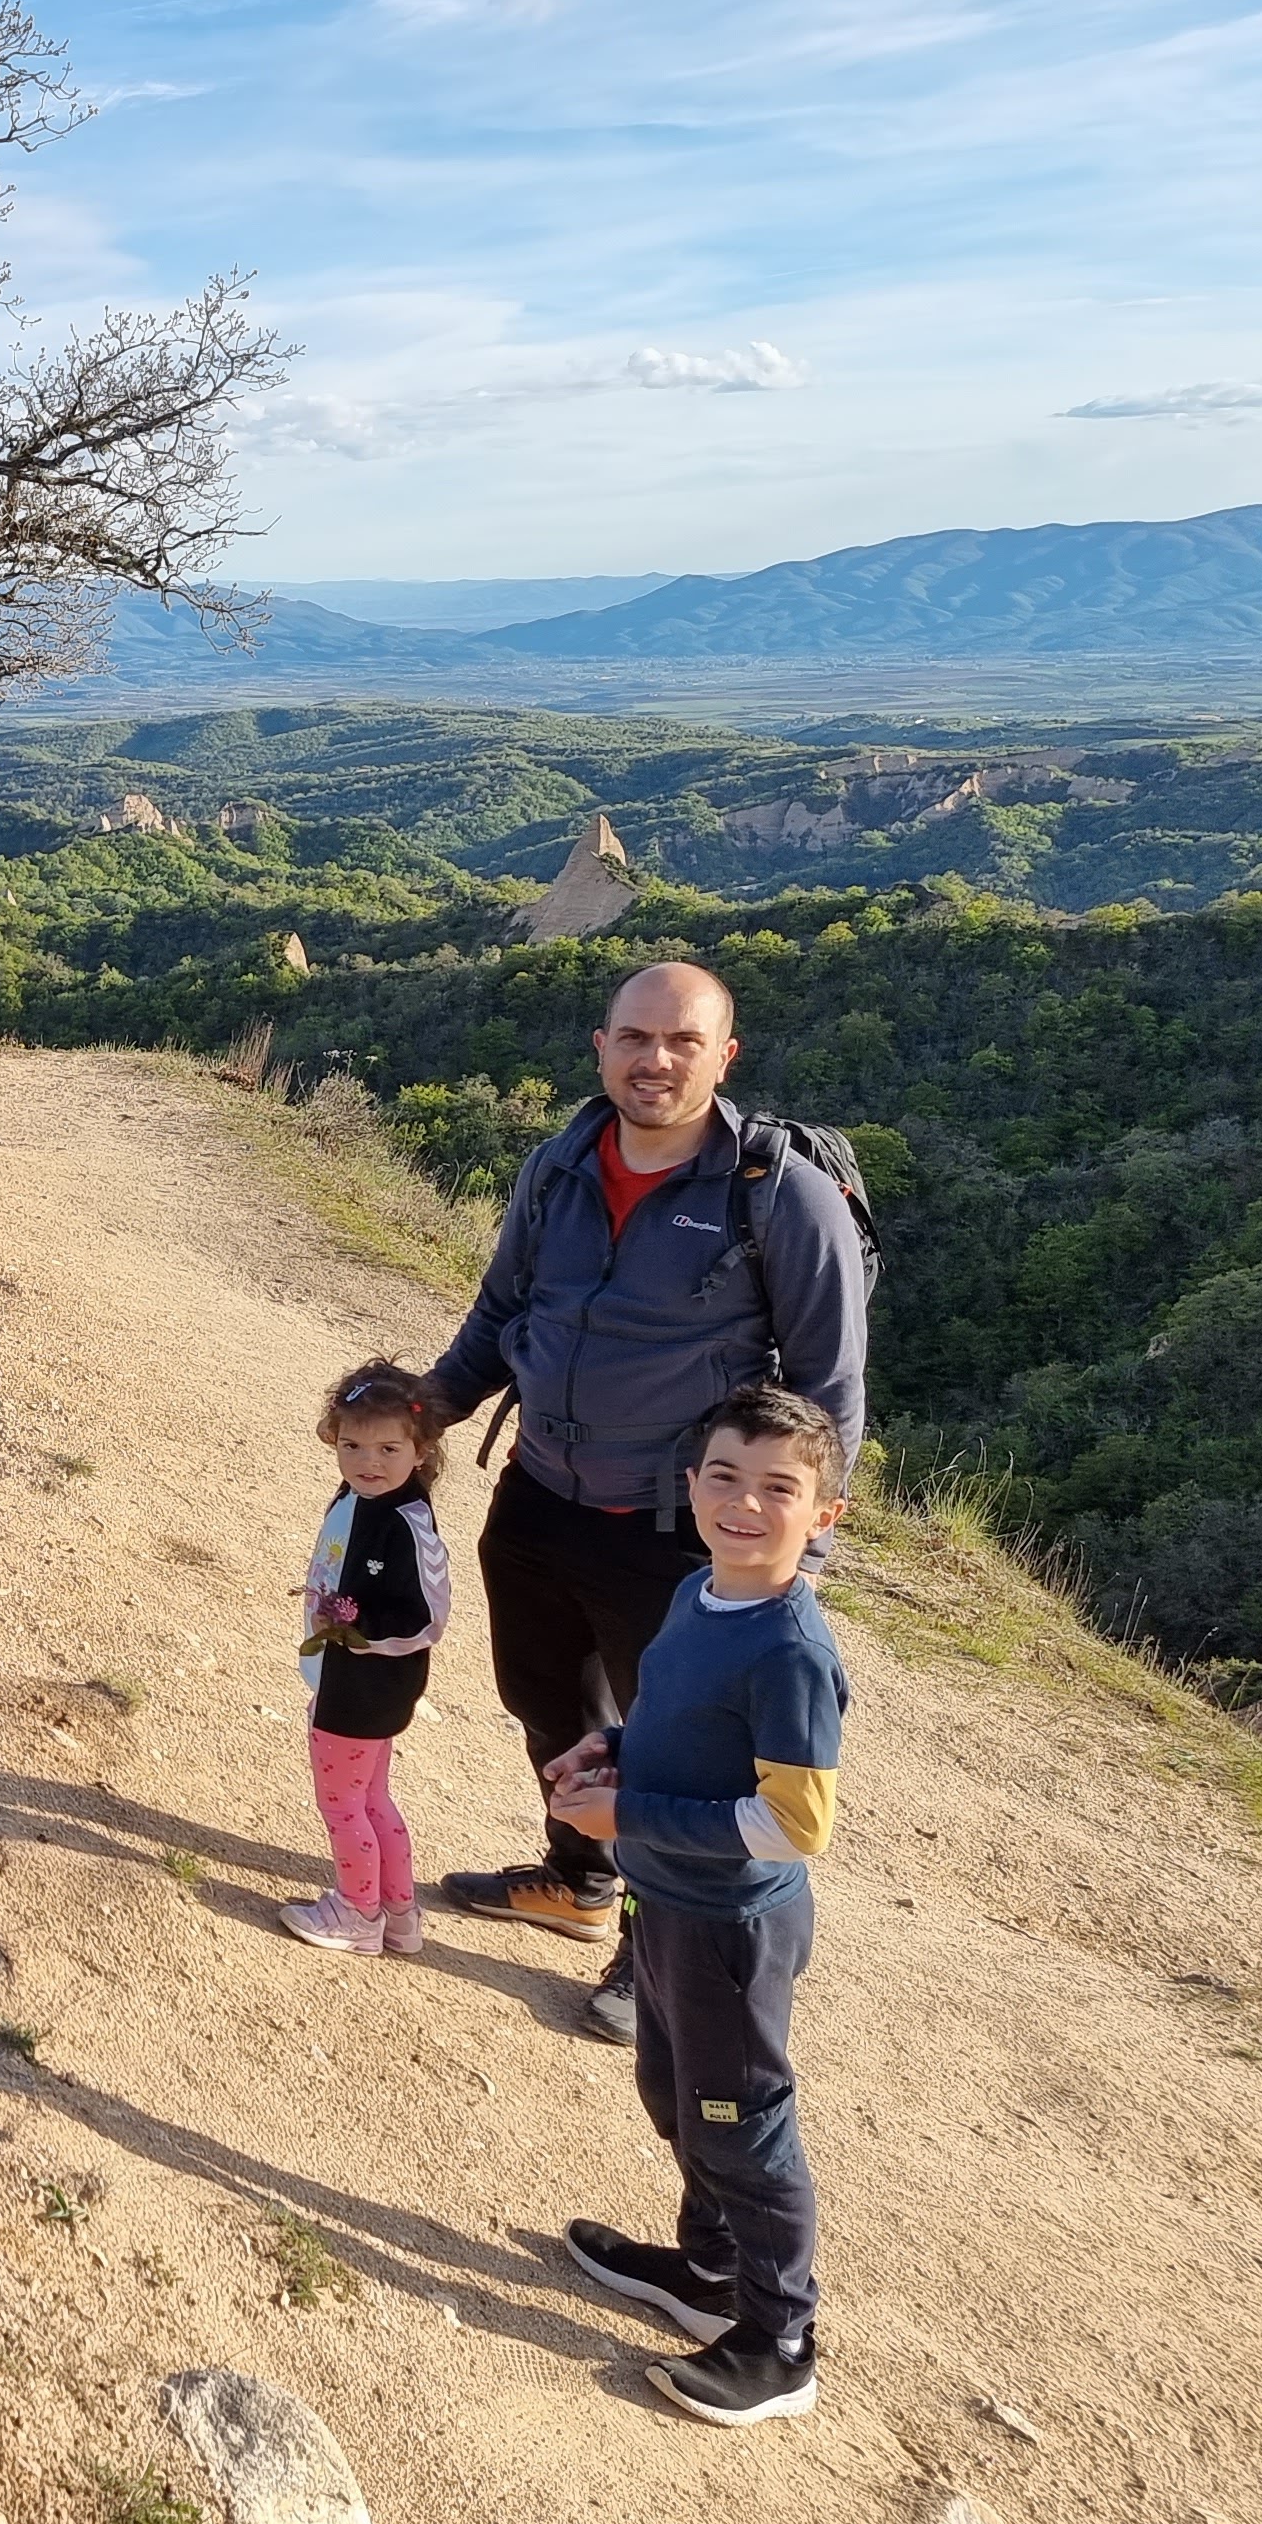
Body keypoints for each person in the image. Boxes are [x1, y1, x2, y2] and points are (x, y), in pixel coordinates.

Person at [420, 959, 868, 2039]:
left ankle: (650, 1943)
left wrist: (791, 1560)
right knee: (547, 1704)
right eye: (634, 1037)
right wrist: (424, 1409)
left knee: (675, 1751)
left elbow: (829, 1389)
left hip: (675, 1530)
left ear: (725, 1056)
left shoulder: (777, 1195)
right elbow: (501, 1310)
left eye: (682, 1041)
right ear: (601, 1046)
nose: (654, 1060)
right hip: (539, 1493)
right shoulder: (560, 1164)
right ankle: (579, 1880)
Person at [540, 1385, 851, 2425]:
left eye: (778, 1488)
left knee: (740, 2124)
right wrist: (613, 1748)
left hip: (732, 1929)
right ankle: (709, 2271)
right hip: (664, 1901)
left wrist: (628, 1814)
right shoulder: (698, 1593)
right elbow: (678, 1725)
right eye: (724, 1475)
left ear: (824, 1515)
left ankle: (781, 2341)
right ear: (690, 1484)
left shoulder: (791, 1652)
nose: (744, 1504)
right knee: (675, 2093)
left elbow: (795, 1824)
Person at [278, 1361, 453, 1958]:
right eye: (351, 1445)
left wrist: (356, 1629)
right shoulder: (361, 1498)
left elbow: (426, 1618)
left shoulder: (407, 1525)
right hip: (352, 1677)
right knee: (372, 1800)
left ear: (421, 1450)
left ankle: (356, 1913)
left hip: (363, 1686)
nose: (366, 1462)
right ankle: (399, 1915)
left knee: (341, 1804)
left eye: (387, 1449)